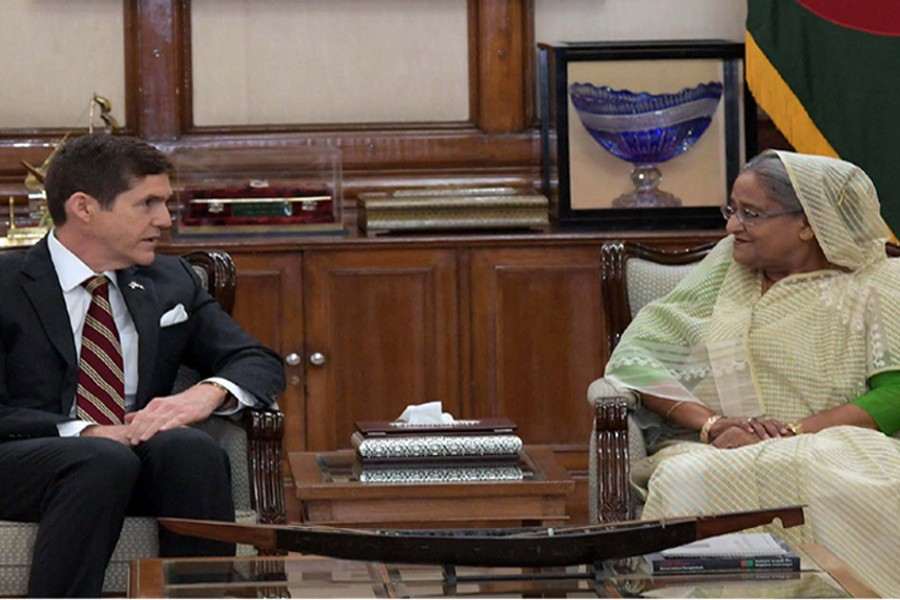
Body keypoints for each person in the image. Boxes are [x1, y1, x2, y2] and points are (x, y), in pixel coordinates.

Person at [596, 149, 900, 597]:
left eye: (751, 214)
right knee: (685, 479)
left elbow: (894, 393)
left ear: (808, 222)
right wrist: (712, 423)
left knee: (856, 480)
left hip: (837, 443)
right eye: (732, 210)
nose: (732, 226)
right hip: (719, 447)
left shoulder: (881, 281)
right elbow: (636, 361)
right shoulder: (724, 271)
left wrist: (791, 433)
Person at [0, 134, 286, 597]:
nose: (165, 220)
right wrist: (85, 432)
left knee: (189, 450)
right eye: (148, 203)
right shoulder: (7, 284)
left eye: (166, 203)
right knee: (101, 457)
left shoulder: (168, 281)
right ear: (84, 207)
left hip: (130, 457)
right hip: (25, 461)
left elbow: (256, 360)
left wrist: (205, 392)